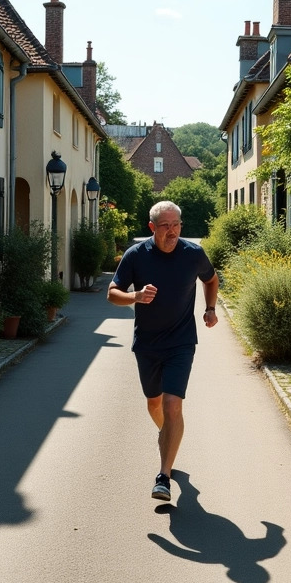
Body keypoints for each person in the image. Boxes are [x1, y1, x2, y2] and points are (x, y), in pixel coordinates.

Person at [108, 200, 218, 501]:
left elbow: (211, 279)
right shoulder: (136, 255)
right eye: (165, 226)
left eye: (177, 225)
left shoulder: (192, 253)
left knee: (172, 405)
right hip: (147, 344)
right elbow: (112, 293)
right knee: (154, 404)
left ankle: (164, 476)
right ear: (152, 227)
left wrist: (210, 308)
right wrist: (135, 296)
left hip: (181, 342)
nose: (172, 231)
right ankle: (169, 436)